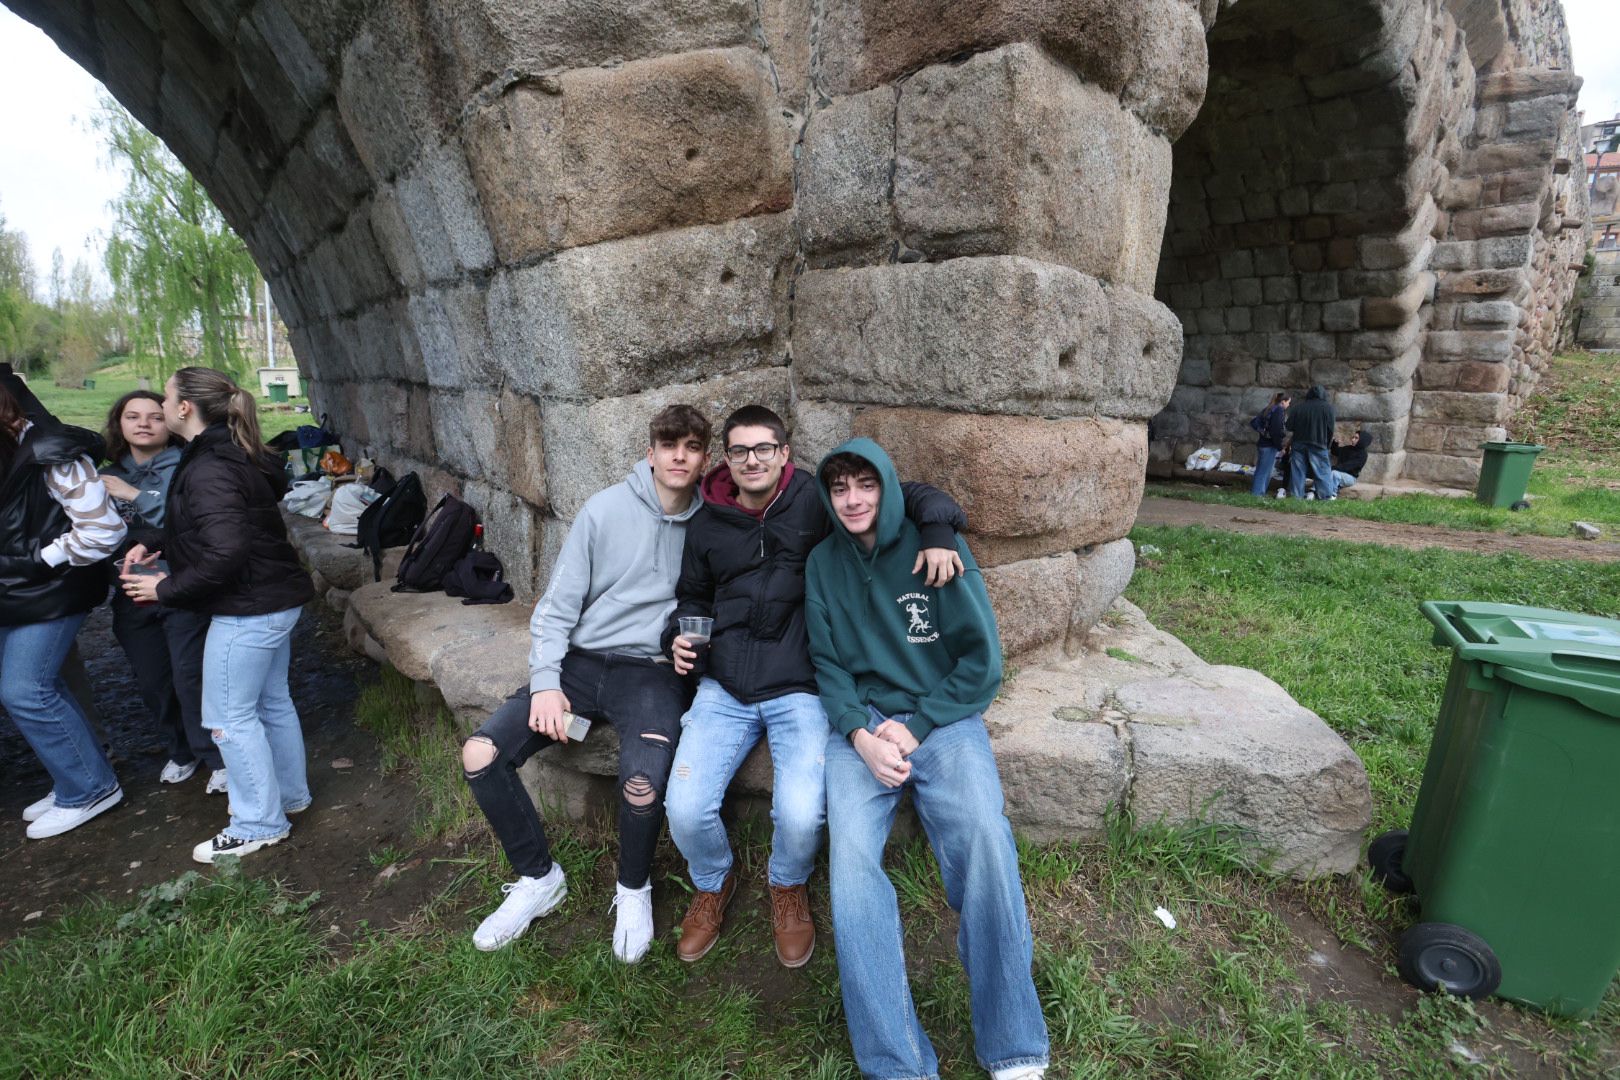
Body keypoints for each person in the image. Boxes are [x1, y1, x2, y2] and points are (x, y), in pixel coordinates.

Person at [663, 405, 965, 968]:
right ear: (725, 459)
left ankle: (787, 885)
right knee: (683, 806)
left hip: (799, 684)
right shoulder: (707, 522)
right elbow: (692, 598)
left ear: (784, 453)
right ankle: (712, 882)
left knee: (802, 813)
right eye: (739, 451)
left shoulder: (814, 503)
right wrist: (676, 636)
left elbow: (901, 493)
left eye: (764, 449)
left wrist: (940, 526)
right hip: (724, 686)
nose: (752, 460)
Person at [806, 438, 1049, 1080]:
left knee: (985, 838)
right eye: (840, 489)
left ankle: (1015, 1042)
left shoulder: (935, 548)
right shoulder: (822, 564)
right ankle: (897, 1063)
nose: (853, 499)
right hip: (860, 730)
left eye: (866, 485)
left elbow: (982, 662)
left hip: (942, 719)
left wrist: (916, 727)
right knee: (852, 870)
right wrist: (860, 735)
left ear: (887, 487)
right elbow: (827, 667)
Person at [460, 404, 711, 962]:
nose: (678, 455)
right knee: (480, 754)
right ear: (650, 453)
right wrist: (546, 683)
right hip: (579, 662)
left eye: (691, 447)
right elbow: (555, 610)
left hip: (650, 672)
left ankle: (633, 888)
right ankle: (538, 879)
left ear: (703, 460)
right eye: (668, 444)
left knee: (642, 783)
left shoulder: (709, 524)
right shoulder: (604, 510)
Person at [120, 367, 315, 864]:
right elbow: (222, 522)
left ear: (185, 407)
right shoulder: (226, 450)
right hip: (271, 599)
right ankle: (289, 797)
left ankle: (258, 822)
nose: (161, 405)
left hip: (248, 608)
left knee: (228, 716)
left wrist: (167, 587)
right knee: (271, 702)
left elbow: (226, 550)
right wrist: (158, 540)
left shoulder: (209, 464)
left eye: (165, 396)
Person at [0, 379, 128, 840]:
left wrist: (40, 559)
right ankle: (74, 776)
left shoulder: (52, 451)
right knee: (34, 687)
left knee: (25, 689)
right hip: (14, 589)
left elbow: (104, 530)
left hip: (54, 587)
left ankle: (91, 788)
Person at [100, 390, 223, 791]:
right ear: (119, 423)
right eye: (132, 416)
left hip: (180, 585)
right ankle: (180, 750)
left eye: (154, 416)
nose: (143, 423)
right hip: (132, 591)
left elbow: (186, 520)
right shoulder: (107, 472)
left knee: (192, 675)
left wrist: (131, 494)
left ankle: (216, 756)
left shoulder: (185, 465)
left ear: (169, 422)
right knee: (152, 679)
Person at [1285, 385, 1337, 501]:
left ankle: (1296, 496)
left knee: (1297, 471)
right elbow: (1330, 429)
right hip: (1318, 443)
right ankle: (1325, 497)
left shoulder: (1298, 407)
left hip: (1298, 443)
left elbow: (1289, 426)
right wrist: (1327, 445)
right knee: (1322, 472)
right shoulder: (1328, 408)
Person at [1250, 392, 1289, 497]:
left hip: (1263, 443)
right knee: (1264, 472)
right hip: (1269, 445)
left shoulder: (1268, 408)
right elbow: (1275, 430)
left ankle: (1260, 493)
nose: (1288, 405)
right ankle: (1257, 495)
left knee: (1262, 470)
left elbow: (1255, 422)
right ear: (1283, 401)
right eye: (1288, 402)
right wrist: (1280, 447)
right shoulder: (1279, 410)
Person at [1330, 427, 1372, 492]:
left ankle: (1332, 494)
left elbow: (1348, 466)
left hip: (1350, 478)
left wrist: (1333, 468)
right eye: (1353, 437)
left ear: (1362, 440)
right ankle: (1313, 491)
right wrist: (1335, 443)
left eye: (1356, 438)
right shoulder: (1347, 448)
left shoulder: (1362, 455)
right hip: (1339, 472)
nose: (1353, 439)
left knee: (1334, 474)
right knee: (1325, 472)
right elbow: (1335, 451)